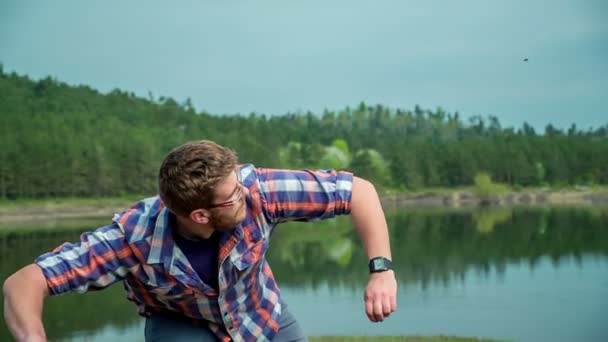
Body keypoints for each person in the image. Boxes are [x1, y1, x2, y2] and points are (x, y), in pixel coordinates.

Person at [3, 140, 397, 342]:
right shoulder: (131, 239)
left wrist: (381, 270)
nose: (245, 193)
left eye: (239, 183)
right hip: (180, 324)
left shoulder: (253, 188)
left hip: (260, 315)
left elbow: (357, 191)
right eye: (233, 195)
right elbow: (24, 282)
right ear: (199, 215)